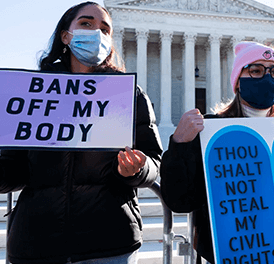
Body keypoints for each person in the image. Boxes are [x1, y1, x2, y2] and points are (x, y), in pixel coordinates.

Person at [0, 2, 162, 263]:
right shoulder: (32, 94)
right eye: (86, 24)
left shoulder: (128, 96)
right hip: (37, 244)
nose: (97, 33)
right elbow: (13, 170)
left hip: (109, 243)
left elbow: (154, 161)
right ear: (66, 35)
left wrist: (137, 168)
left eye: (105, 29)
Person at [160, 41, 274, 263]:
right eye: (256, 70)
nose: (267, 78)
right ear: (238, 81)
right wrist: (179, 144)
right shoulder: (208, 132)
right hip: (224, 253)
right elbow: (180, 201)